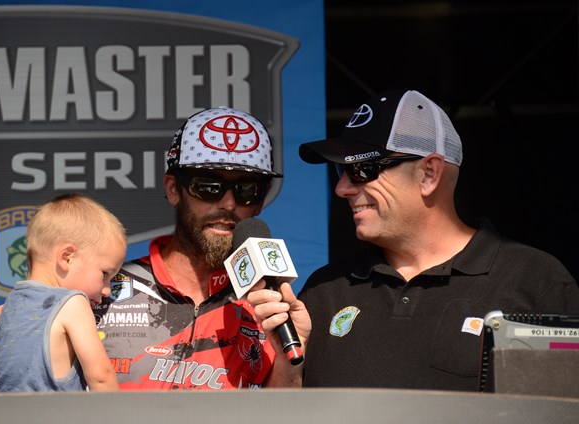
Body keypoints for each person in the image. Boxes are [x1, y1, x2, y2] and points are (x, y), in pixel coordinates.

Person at [247, 89, 579, 391]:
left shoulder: (535, 281)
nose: (342, 188)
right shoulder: (324, 292)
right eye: (340, 171)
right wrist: (291, 366)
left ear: (429, 173)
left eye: (363, 169)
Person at [0, 107, 299, 393]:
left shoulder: (272, 306)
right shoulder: (99, 290)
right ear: (173, 189)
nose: (228, 203)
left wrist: (289, 362)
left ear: (262, 200)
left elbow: (285, 413)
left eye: (247, 190)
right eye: (208, 186)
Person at [0, 193, 126, 392]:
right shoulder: (73, 304)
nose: (107, 290)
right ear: (67, 257)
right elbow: (101, 378)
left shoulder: (8, 309)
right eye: (105, 274)